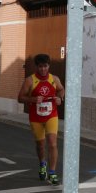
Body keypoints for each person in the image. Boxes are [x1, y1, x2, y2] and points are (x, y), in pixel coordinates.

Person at [17, 54, 65, 185]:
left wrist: (60, 98)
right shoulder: (30, 80)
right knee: (40, 145)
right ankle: (42, 163)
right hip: (36, 117)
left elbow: (61, 90)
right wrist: (33, 99)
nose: (43, 69)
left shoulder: (54, 79)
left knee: (52, 143)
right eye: (40, 67)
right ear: (36, 67)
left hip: (51, 116)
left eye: (45, 66)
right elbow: (20, 98)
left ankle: (52, 172)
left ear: (49, 66)